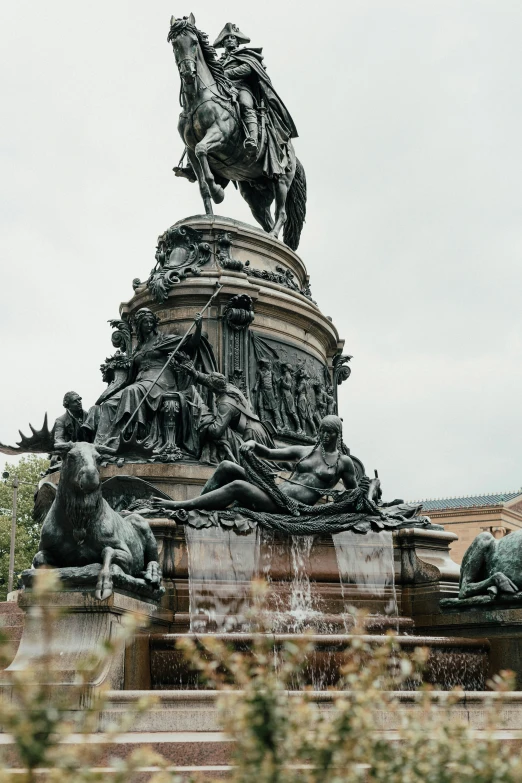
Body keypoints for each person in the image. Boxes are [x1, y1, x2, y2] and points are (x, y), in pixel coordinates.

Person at [150, 415, 356, 514]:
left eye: (331, 432)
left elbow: (352, 494)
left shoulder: (343, 463)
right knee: (226, 466)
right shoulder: (304, 451)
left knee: (237, 487)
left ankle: (181, 505)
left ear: (338, 435)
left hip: (287, 506)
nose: (325, 436)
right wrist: (252, 444)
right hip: (275, 491)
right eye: (323, 430)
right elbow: (268, 453)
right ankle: (199, 507)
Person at [84, 310, 214, 455]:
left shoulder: (162, 340)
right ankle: (103, 445)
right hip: (140, 383)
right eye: (145, 322)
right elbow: (130, 377)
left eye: (151, 322)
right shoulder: (139, 348)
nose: (149, 325)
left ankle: (130, 437)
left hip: (160, 382)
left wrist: (198, 327)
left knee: (131, 392)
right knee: (108, 404)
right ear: (139, 325)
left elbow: (190, 344)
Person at [213, 22, 298, 173]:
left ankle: (252, 139)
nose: (229, 40)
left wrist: (225, 74)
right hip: (223, 90)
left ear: (237, 41)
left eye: (232, 37)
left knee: (246, 105)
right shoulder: (218, 62)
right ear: (223, 43)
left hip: (241, 87)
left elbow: (246, 69)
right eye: (226, 38)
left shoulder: (246, 55)